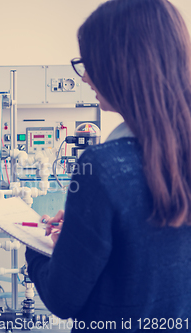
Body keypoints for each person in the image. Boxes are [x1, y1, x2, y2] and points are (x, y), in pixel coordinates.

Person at [25, 0, 191, 331]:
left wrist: (36, 247)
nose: (85, 77)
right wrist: (81, 234)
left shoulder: (102, 168)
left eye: (90, 62)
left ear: (124, 66)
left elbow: (62, 299)